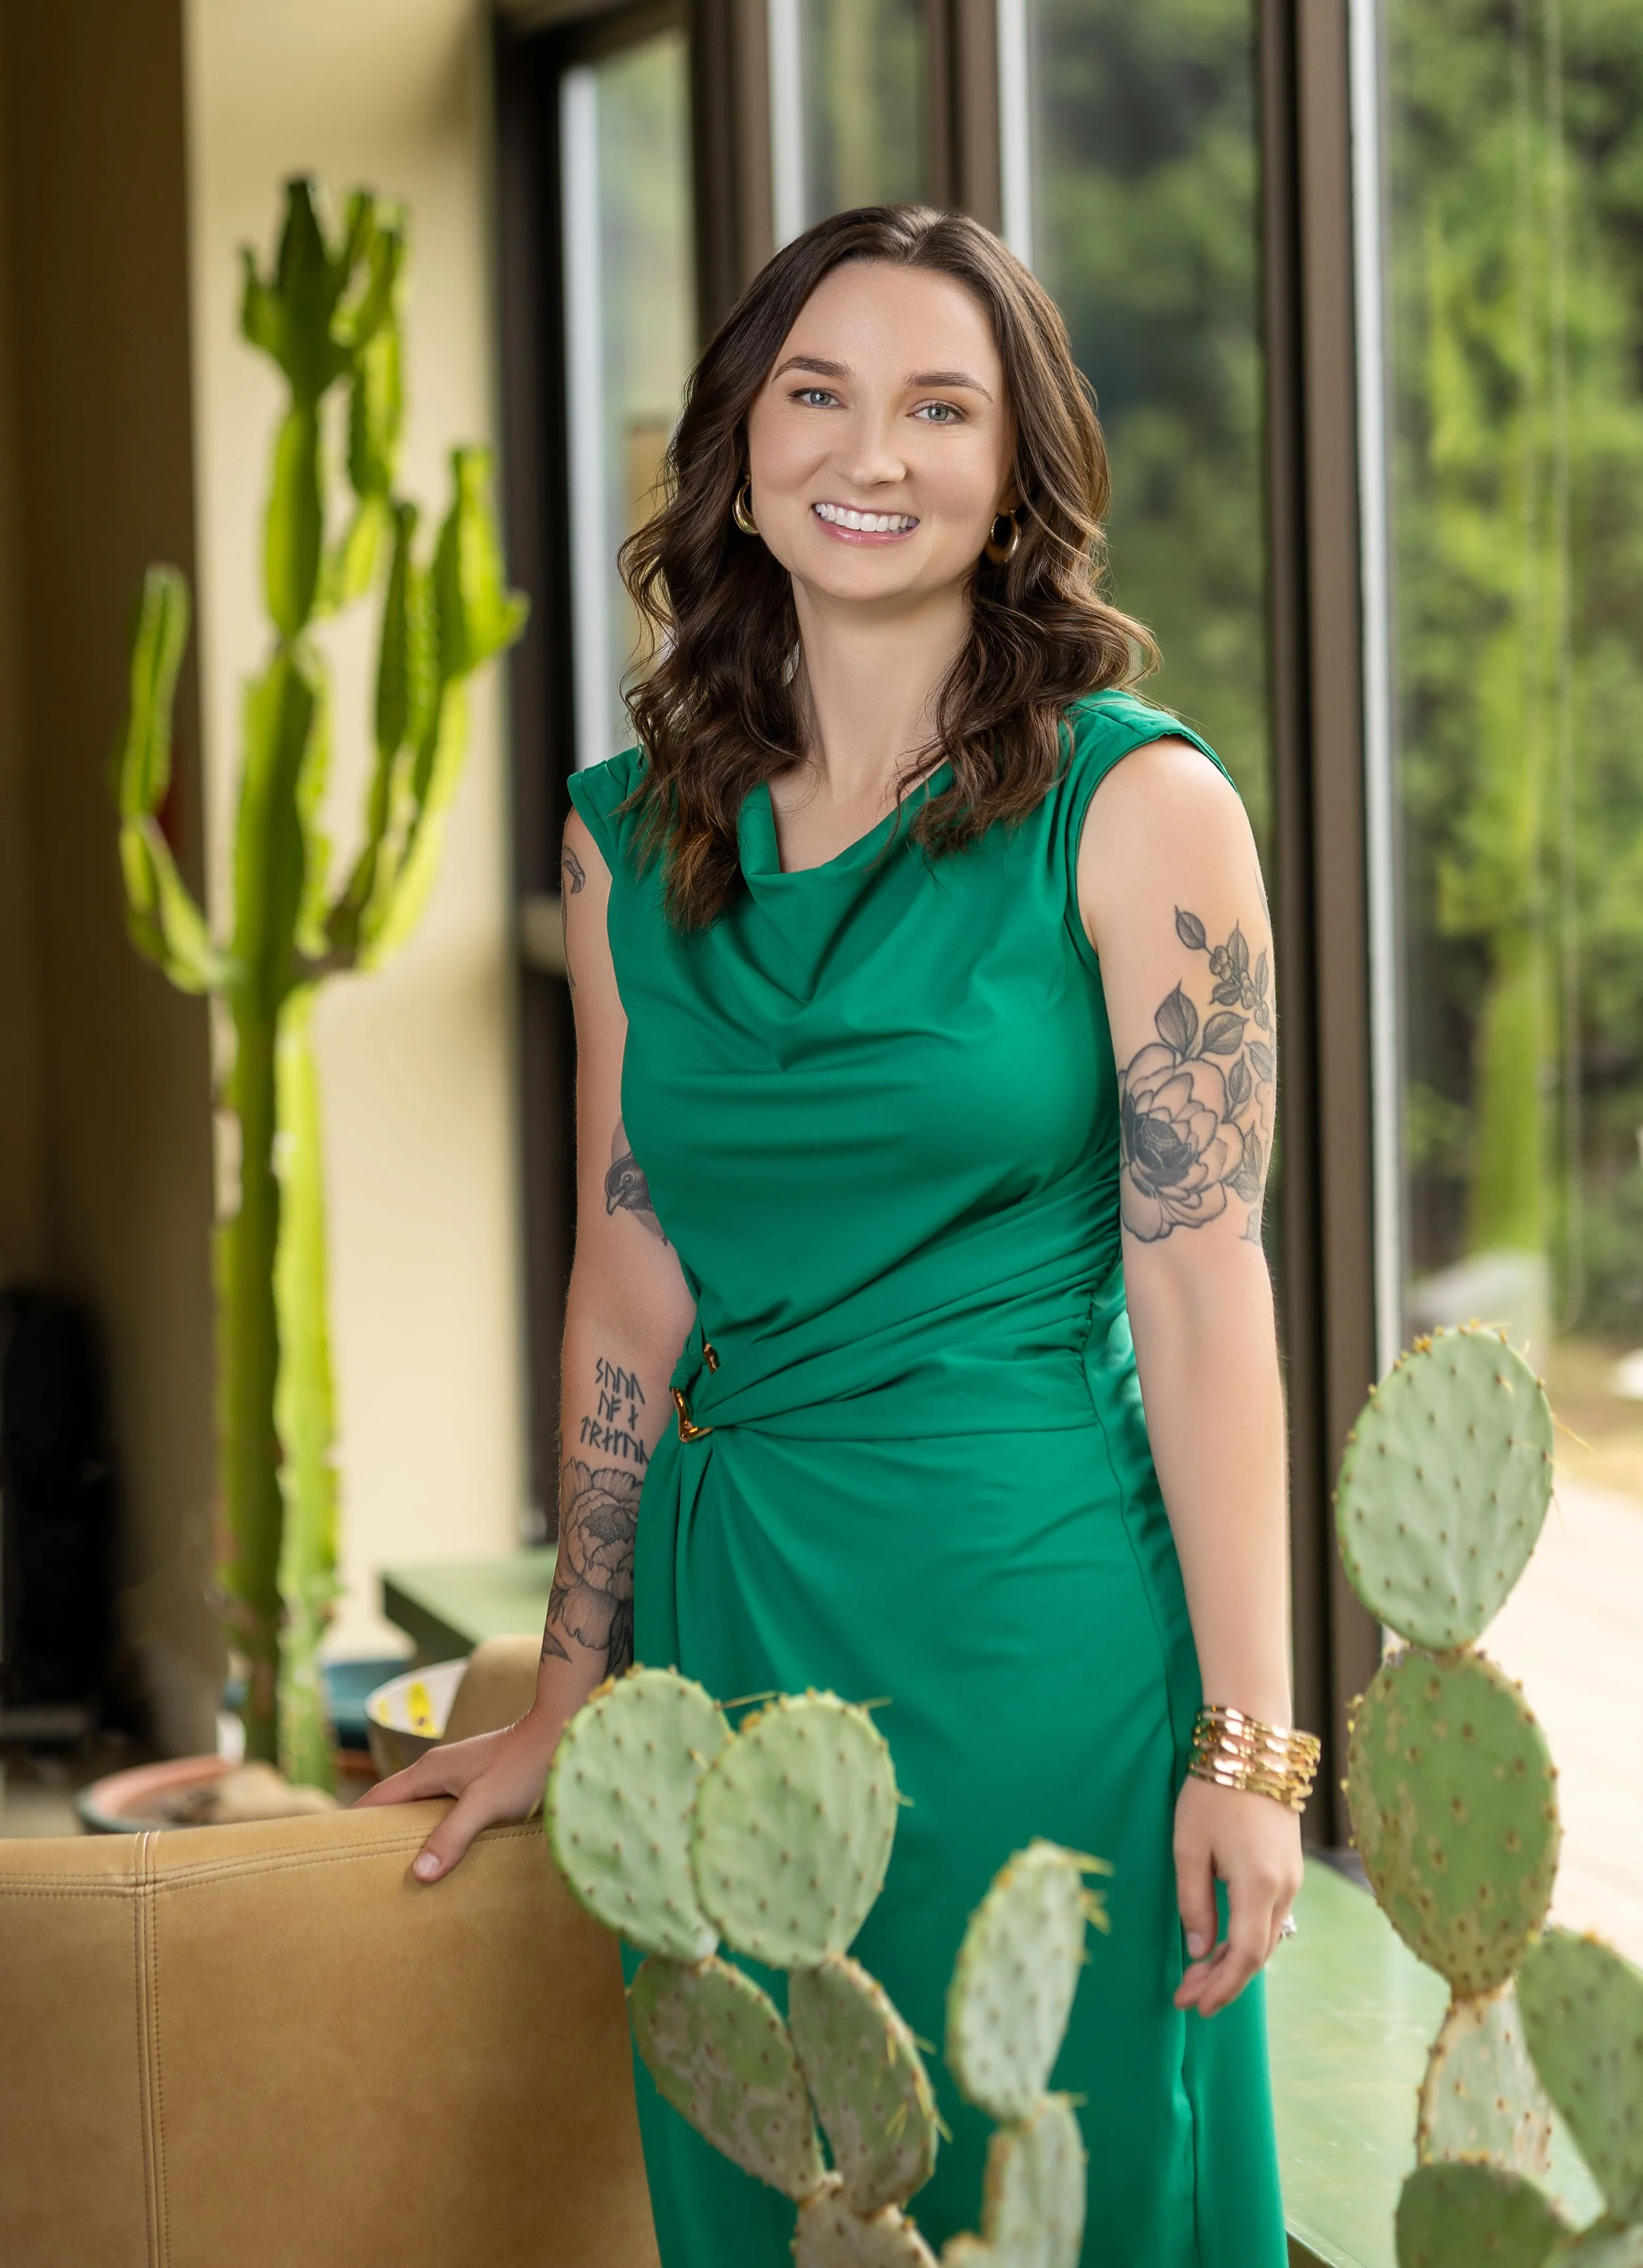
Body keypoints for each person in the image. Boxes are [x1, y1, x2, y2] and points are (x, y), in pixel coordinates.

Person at [359, 203, 1313, 2268]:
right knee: (785, 2190)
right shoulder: (626, 839)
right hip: (732, 1645)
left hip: (1040, 1639)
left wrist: (1252, 1746)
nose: (869, 453)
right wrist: (575, 1691)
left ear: (1017, 470)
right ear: (737, 447)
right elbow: (632, 1276)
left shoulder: (1139, 809)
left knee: (1077, 2189)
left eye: (939, 407)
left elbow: (1202, 1289)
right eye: (818, 392)